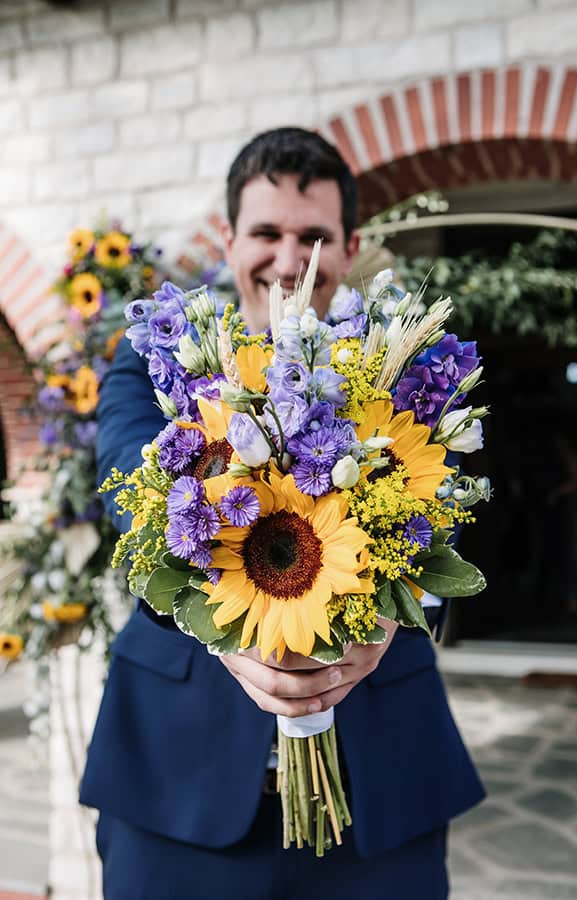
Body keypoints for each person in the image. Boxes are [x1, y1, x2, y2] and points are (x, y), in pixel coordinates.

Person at [79, 126, 485, 900]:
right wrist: (225, 623)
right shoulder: (152, 360)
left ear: (349, 245)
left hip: (376, 798)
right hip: (177, 785)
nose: (290, 258)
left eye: (315, 236)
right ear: (230, 239)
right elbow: (130, 487)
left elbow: (443, 507)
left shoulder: (395, 365)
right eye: (267, 232)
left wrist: (387, 618)